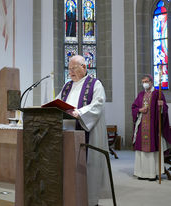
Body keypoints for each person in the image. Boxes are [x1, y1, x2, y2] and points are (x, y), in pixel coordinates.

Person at [56, 55, 110, 206]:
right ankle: (70, 198)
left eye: (74, 68)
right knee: (67, 168)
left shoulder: (95, 84)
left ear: (84, 67)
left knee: (87, 169)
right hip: (66, 133)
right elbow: (58, 102)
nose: (71, 72)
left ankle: (89, 201)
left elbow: (98, 104)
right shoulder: (66, 86)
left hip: (86, 131)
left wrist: (80, 113)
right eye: (69, 68)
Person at [132, 74, 171, 181]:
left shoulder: (157, 94)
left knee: (153, 150)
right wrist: (140, 110)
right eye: (143, 81)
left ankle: (153, 174)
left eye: (146, 81)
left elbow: (164, 109)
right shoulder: (140, 95)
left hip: (153, 128)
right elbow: (134, 107)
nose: (144, 83)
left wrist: (161, 106)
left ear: (151, 82)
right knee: (141, 150)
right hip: (142, 126)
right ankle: (141, 173)